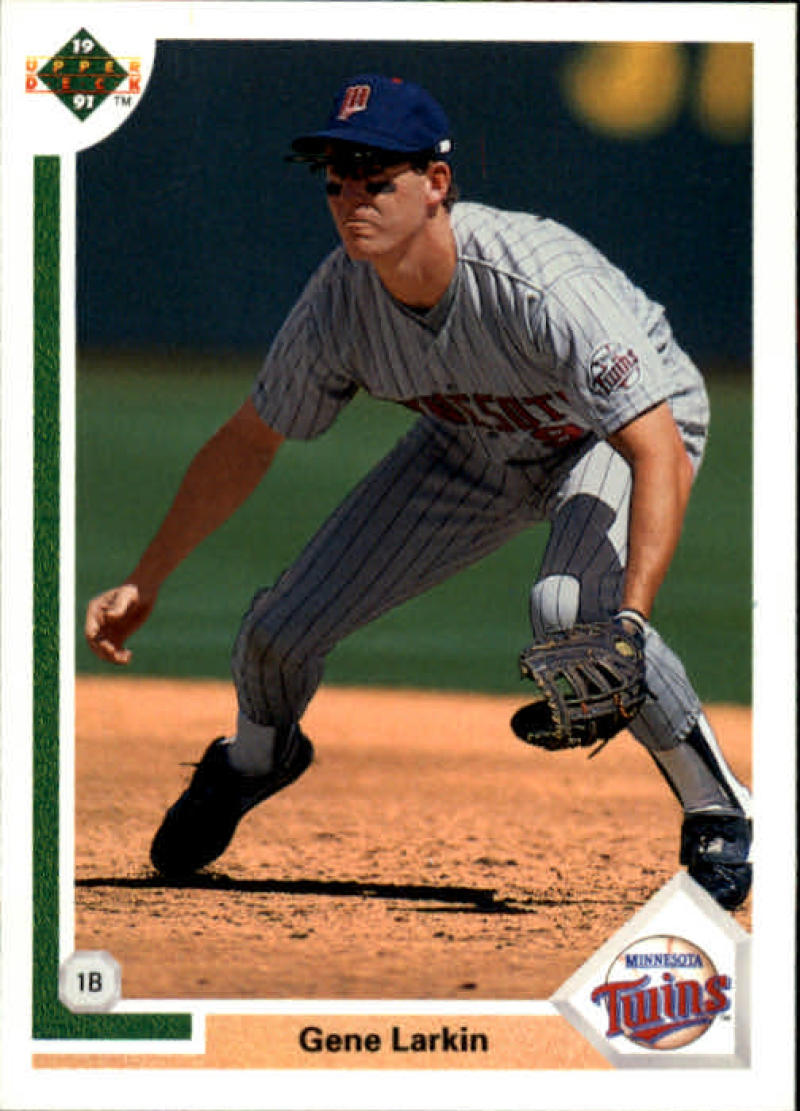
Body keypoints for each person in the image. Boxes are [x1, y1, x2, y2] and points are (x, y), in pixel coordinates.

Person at [85, 73, 752, 910]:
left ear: (436, 184)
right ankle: (254, 761)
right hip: (472, 442)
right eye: (335, 176)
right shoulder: (342, 301)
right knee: (275, 634)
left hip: (611, 430)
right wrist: (148, 577)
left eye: (376, 174)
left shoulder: (537, 282)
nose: (350, 194)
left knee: (570, 612)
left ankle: (718, 805)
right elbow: (248, 441)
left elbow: (653, 445)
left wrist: (630, 617)